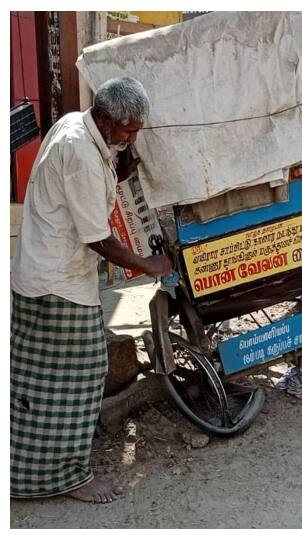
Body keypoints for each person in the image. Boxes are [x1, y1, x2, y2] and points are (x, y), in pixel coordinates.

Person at [10, 77, 172, 503]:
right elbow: (97, 237)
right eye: (128, 130)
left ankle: (21, 469)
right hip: (57, 284)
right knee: (82, 376)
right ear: (104, 118)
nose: (130, 137)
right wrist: (147, 264)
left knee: (33, 379)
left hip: (41, 276)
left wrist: (119, 171)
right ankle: (67, 476)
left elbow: (81, 192)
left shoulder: (76, 127)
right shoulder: (82, 151)